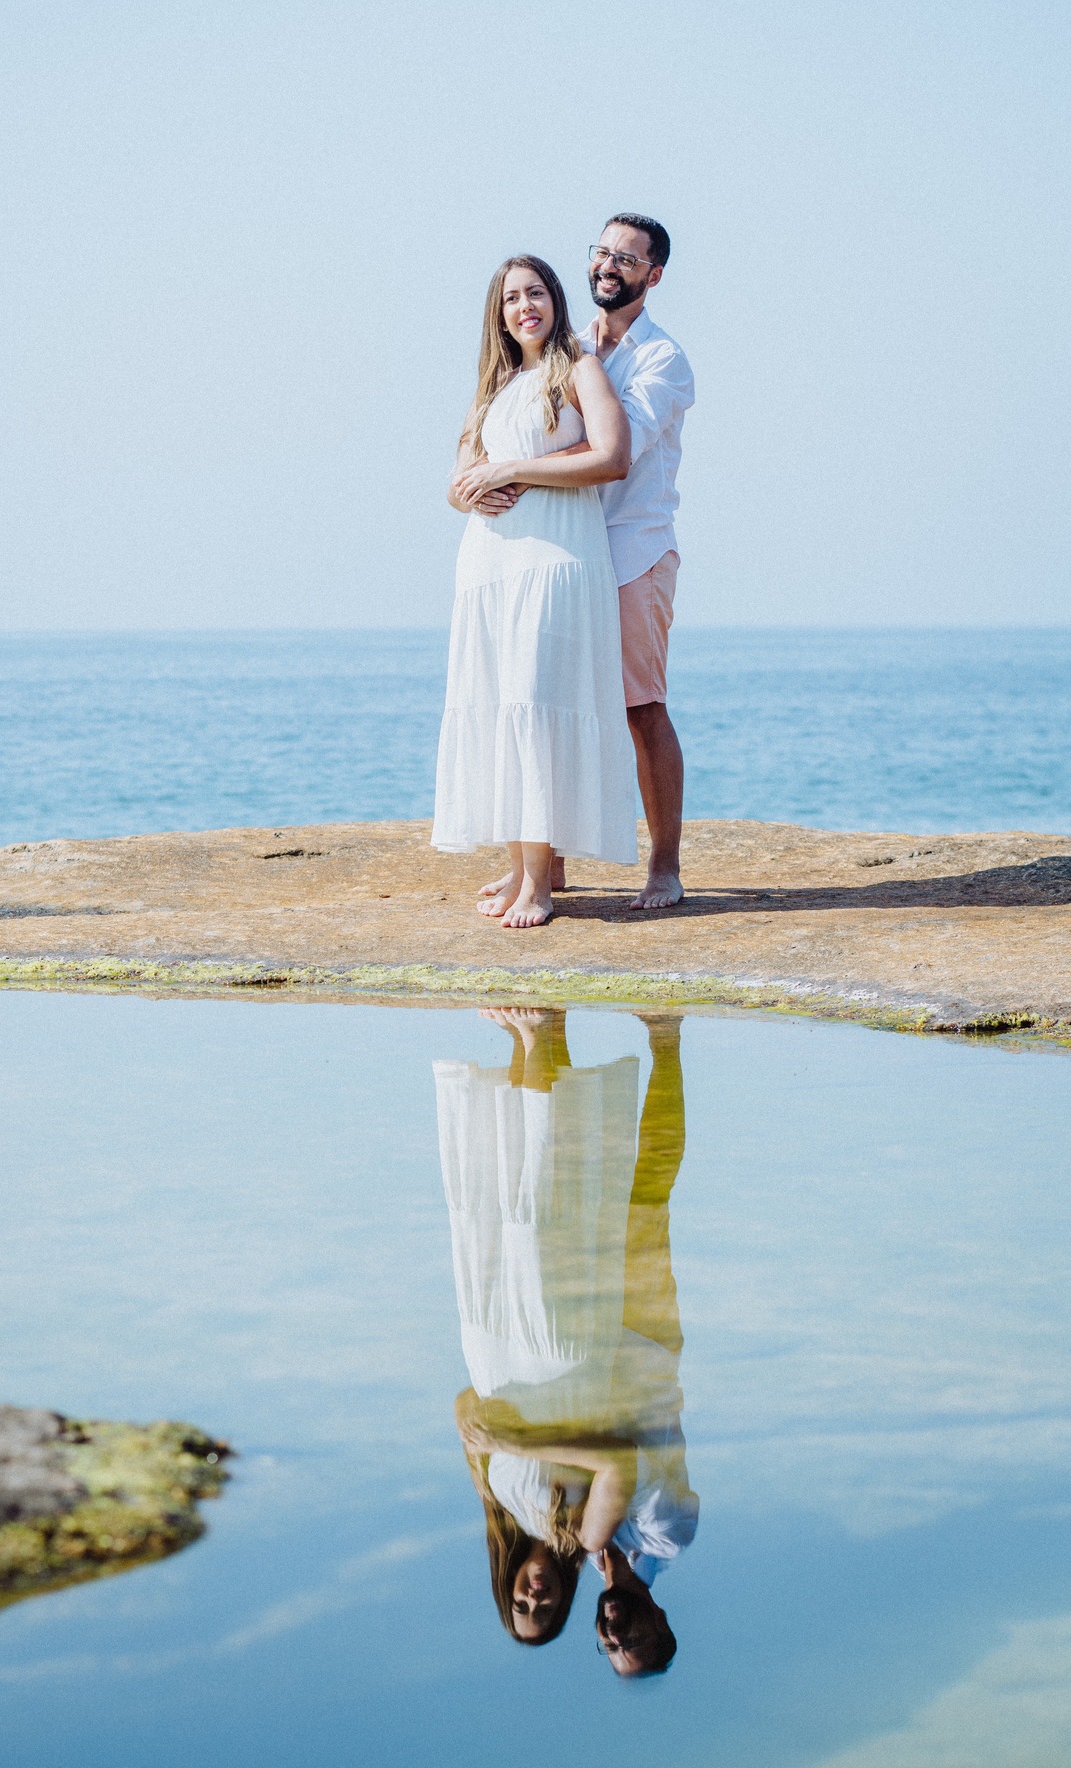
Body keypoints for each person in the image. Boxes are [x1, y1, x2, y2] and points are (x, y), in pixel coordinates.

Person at [435, 1008, 697, 1661]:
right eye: (630, 1641)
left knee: (564, 1199)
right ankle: (665, 1037)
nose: (613, 1632)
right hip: (641, 1348)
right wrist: (520, 1441)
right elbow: (620, 1452)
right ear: (658, 1624)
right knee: (647, 1189)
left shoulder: (556, 1530)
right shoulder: (664, 1537)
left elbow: (471, 1410)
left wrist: (491, 1442)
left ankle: (540, 1039)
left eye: (606, 1643)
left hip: (591, 1339)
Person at [479, 216, 695, 911]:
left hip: (631, 548)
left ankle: (664, 866)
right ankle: (553, 863)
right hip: (565, 552)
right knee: (550, 698)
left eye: (628, 259)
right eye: (602, 252)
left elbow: (611, 449)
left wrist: (511, 469)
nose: (610, 265)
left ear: (653, 275)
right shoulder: (563, 349)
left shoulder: (663, 360)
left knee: (640, 707)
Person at [431, 256, 637, 928]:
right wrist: (474, 490)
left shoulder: (577, 368)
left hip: (554, 564)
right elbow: (459, 480)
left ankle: (542, 887)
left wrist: (515, 468)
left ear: (554, 301)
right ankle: (523, 868)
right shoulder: (490, 389)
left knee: (535, 703)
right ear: (499, 312)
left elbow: (612, 456)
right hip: (489, 570)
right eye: (513, 298)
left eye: (537, 294)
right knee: (499, 708)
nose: (526, 307)